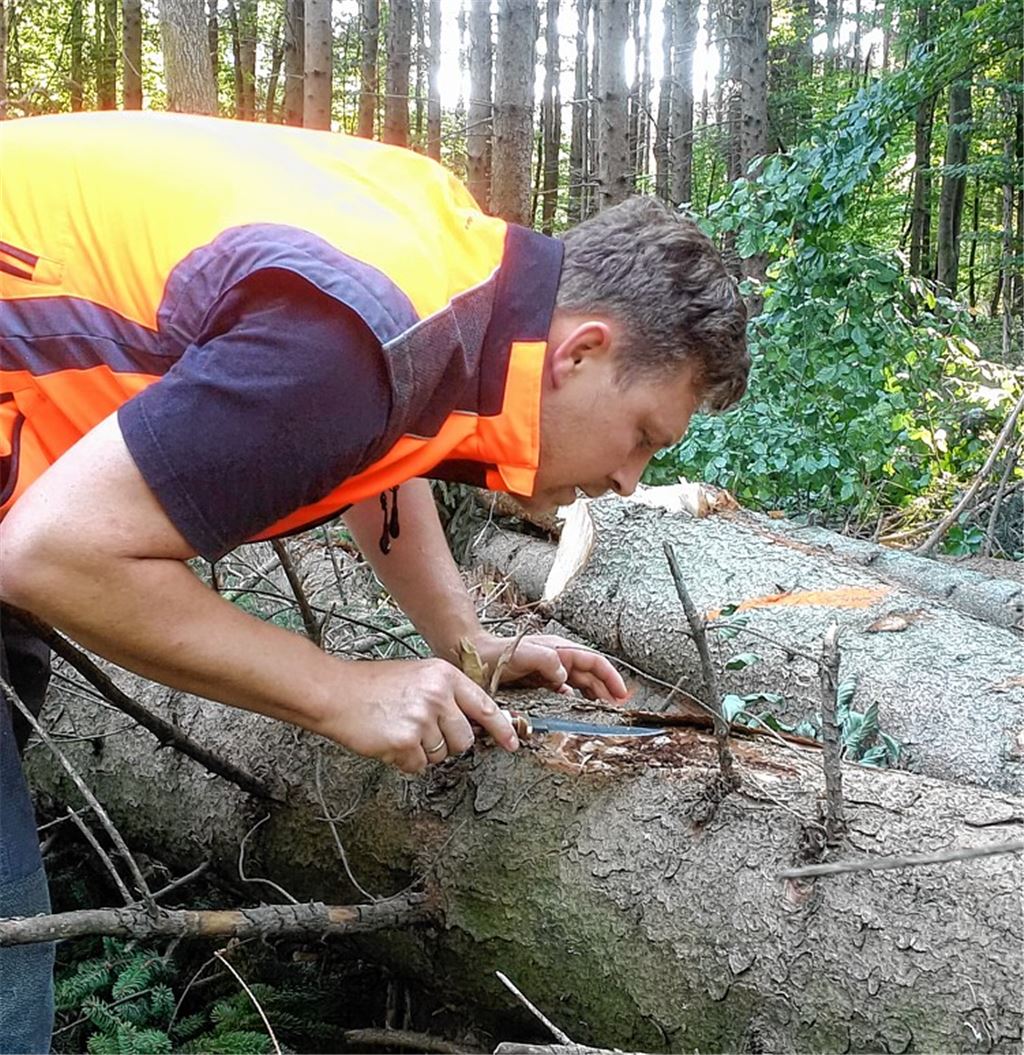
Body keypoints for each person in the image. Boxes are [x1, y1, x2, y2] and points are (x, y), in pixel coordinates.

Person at [0, 110, 749, 1051]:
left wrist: (467, 642)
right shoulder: (360, 332)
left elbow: (377, 456)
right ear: (583, 350)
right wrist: (339, 690)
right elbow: (49, 552)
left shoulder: (439, 283)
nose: (631, 479)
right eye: (643, 434)